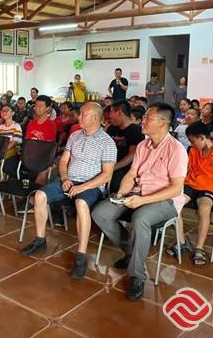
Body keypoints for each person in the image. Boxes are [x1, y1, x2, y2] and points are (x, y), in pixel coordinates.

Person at [92, 102, 188, 301]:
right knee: (100, 213)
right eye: (143, 117)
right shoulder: (143, 145)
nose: (142, 121)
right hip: (137, 193)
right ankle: (132, 251)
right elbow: (131, 174)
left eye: (147, 118)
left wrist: (143, 200)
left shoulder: (176, 149)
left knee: (140, 218)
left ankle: (137, 276)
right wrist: (121, 194)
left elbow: (176, 188)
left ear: (162, 123)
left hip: (165, 200)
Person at [20, 103, 116, 280]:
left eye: (84, 115)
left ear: (96, 118)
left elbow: (107, 175)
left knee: (81, 203)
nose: (79, 117)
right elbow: (63, 161)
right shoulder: (75, 135)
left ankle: (81, 255)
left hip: (91, 185)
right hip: (69, 180)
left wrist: (83, 187)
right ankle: (40, 240)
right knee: (39, 196)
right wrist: (64, 178)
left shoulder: (107, 142)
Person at [169, 122, 213, 266]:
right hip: (191, 185)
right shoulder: (194, 151)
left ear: (201, 138)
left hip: (210, 188)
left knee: (204, 208)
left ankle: (199, 247)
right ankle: (181, 242)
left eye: (192, 141)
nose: (191, 144)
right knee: (174, 204)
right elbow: (187, 169)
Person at [106, 100, 144, 193]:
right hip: (108, 163)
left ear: (119, 112)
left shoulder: (136, 130)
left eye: (111, 112)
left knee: (115, 183)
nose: (109, 115)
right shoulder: (111, 128)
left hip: (125, 167)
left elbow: (131, 156)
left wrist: (113, 167)